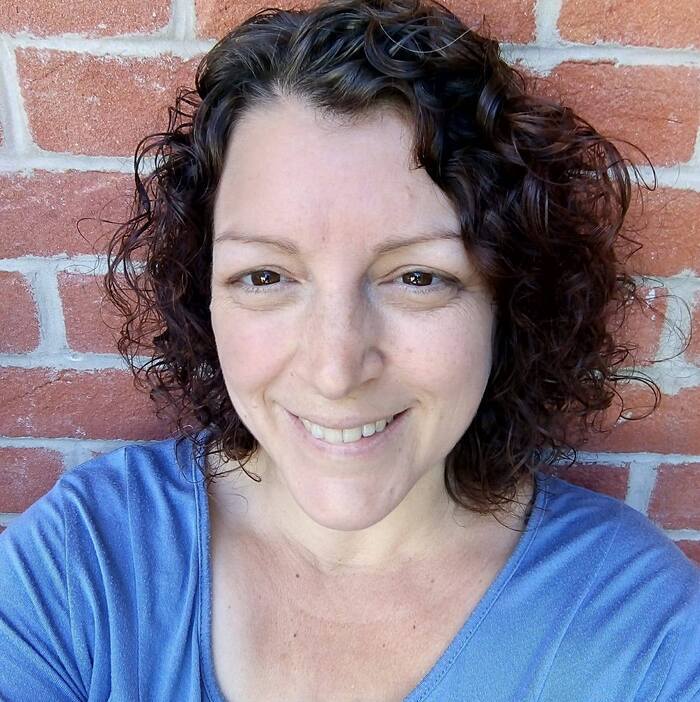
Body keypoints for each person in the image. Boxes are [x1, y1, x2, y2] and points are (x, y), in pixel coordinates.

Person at [1, 0, 698, 699]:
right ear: (204, 294)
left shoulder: (641, 633)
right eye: (265, 276)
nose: (335, 371)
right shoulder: (83, 567)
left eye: (418, 278)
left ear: (506, 300)